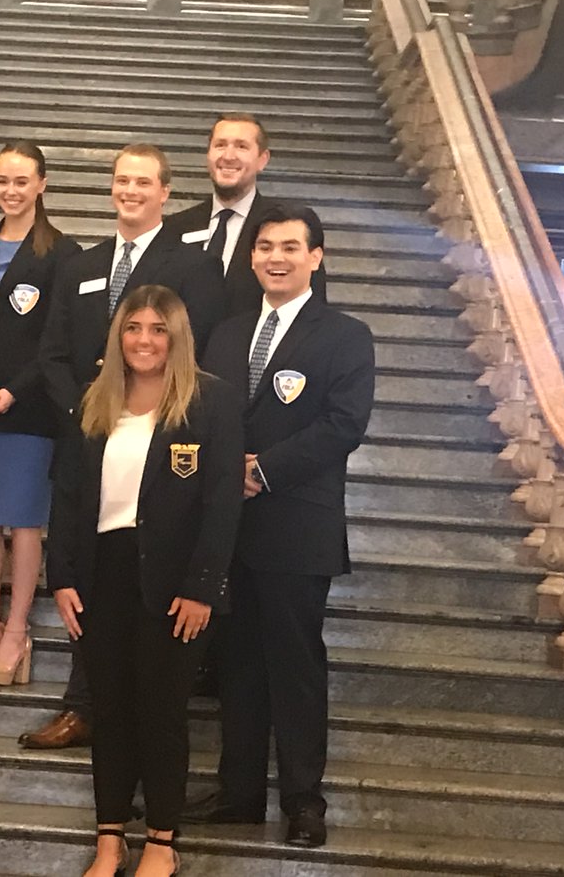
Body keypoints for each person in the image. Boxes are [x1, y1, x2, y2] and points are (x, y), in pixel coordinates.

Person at [23, 143, 226, 749]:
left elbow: (199, 355)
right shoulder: (80, 263)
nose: (130, 191)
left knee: (137, 584)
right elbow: (52, 354)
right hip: (91, 443)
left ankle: (122, 714)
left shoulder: (193, 267)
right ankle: (81, 705)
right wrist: (91, 415)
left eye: (144, 182)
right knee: (88, 575)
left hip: (163, 449)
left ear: (166, 193)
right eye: (121, 181)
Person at [194, 204, 375, 848]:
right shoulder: (226, 332)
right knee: (237, 665)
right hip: (228, 528)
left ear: (315, 257)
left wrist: (262, 470)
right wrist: (221, 473)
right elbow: (204, 412)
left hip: (298, 527)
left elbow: (343, 426)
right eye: (266, 245)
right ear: (252, 257)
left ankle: (303, 800)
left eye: (291, 247)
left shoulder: (346, 335)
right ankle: (239, 792)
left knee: (295, 665)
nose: (277, 256)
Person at [47, 285, 244, 877]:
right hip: (101, 575)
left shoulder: (211, 402)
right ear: (119, 336)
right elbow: (68, 495)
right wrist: (61, 577)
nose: (145, 340)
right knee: (108, 710)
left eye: (159, 329)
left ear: (177, 337)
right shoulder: (95, 401)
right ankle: (110, 839)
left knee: (161, 710)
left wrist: (203, 585)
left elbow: (221, 504)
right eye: (134, 328)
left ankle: (162, 839)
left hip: (176, 581)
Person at [0, 140, 80, 686]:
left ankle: (16, 632)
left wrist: (17, 389)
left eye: (22, 181)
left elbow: (57, 341)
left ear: (42, 185)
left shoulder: (63, 252)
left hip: (31, 409)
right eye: (2, 180)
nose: (11, 190)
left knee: (25, 523)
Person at [163, 112, 326, 315]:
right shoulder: (175, 227)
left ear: (262, 160)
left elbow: (313, 311)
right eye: (220, 145)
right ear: (208, 154)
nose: (228, 156)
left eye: (241, 146)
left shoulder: (288, 228)